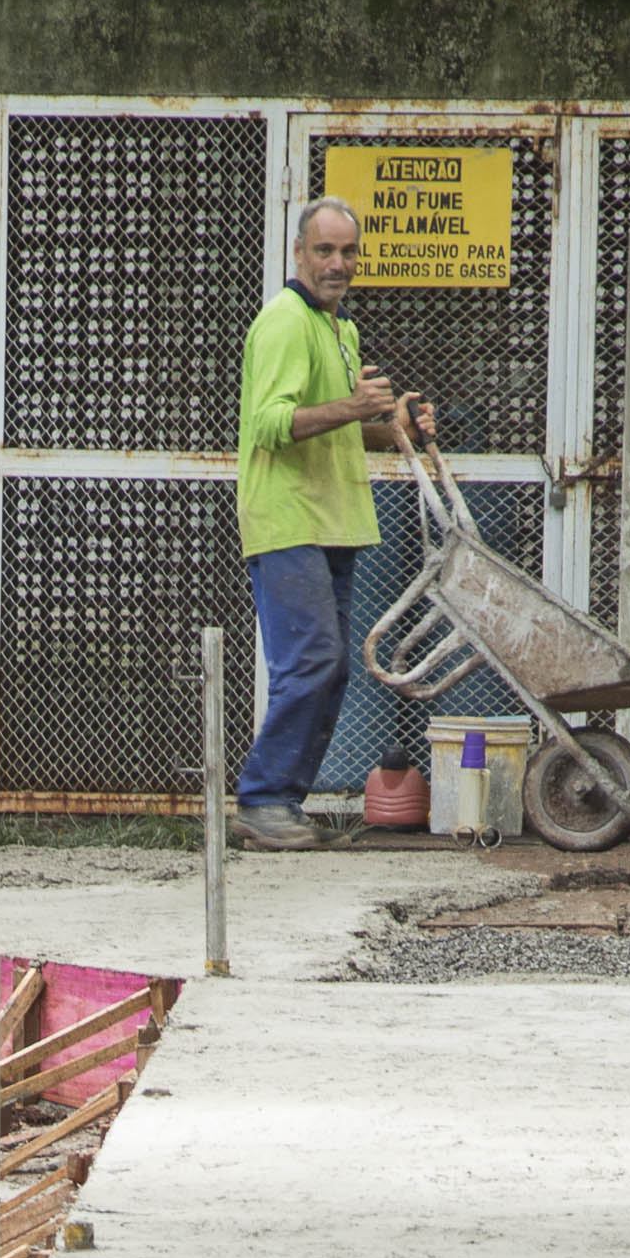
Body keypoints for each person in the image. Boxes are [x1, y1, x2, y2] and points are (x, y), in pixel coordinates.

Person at [231, 198, 431, 852]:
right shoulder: (285, 322)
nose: (337, 264)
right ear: (298, 253)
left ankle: (280, 802)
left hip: (333, 517)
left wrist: (392, 427)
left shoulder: (338, 329)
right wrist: (352, 406)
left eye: (348, 252)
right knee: (310, 662)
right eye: (324, 250)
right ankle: (262, 802)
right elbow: (267, 424)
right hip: (289, 517)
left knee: (332, 667)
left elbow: (339, 428)